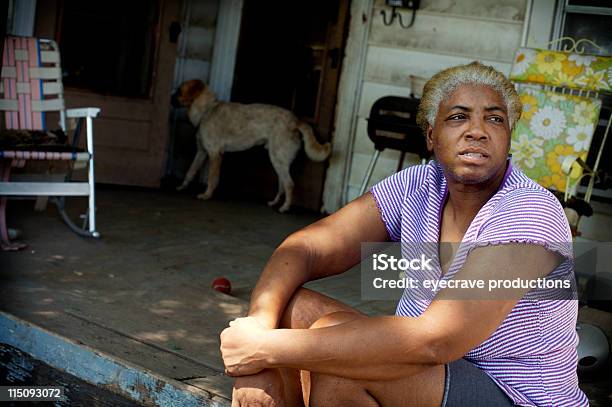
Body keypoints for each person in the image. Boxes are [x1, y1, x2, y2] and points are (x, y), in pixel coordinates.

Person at [220, 62, 587, 406]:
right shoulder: (420, 185)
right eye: (458, 117)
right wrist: (256, 342)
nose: (477, 130)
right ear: (431, 136)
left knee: (343, 372)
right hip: (430, 374)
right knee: (292, 305)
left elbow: (437, 340)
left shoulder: (528, 213)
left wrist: (264, 349)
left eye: (495, 119)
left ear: (508, 137)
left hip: (515, 394)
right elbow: (306, 249)